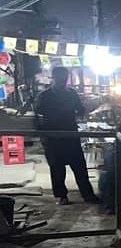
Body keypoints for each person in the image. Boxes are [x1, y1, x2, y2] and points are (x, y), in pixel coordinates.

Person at [34, 66, 99, 205]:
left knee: (79, 167)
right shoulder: (44, 96)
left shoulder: (71, 94)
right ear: (54, 78)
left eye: (64, 78)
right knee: (57, 169)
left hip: (70, 135)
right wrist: (43, 136)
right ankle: (62, 196)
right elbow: (37, 115)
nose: (62, 81)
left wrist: (85, 110)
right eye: (60, 78)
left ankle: (87, 194)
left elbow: (80, 110)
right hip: (53, 137)